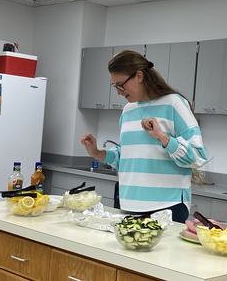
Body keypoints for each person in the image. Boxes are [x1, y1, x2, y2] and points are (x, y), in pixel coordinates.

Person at [80, 50, 208, 223]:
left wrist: (163, 138)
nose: (118, 92)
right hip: (129, 206)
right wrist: (97, 153)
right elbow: (124, 158)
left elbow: (199, 156)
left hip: (167, 206)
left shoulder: (173, 104)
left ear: (139, 76)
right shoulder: (128, 110)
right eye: (115, 86)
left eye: (120, 85)